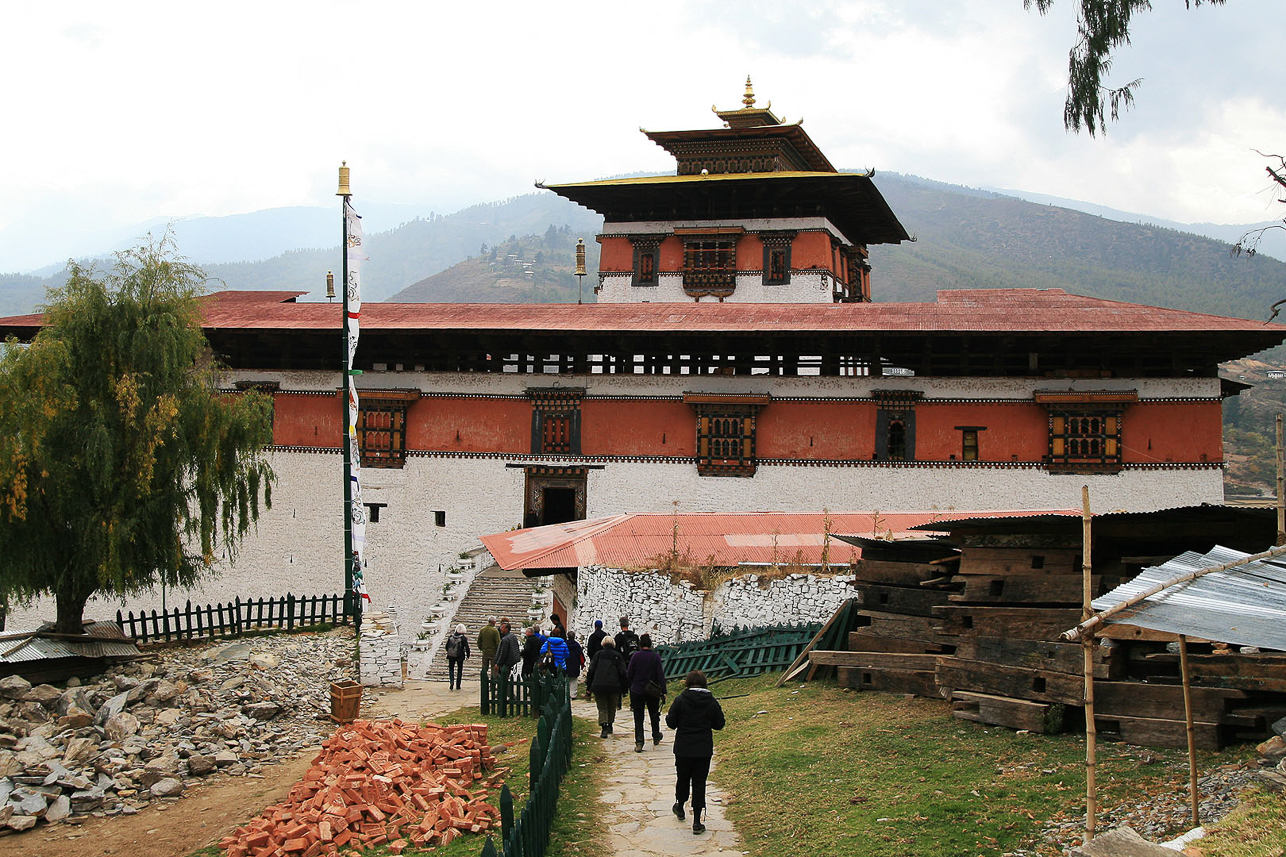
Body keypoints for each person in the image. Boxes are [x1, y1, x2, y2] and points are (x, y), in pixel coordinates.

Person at [666, 670, 725, 835]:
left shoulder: (680, 700)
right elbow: (719, 724)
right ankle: (697, 821)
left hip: (683, 748)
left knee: (682, 778)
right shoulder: (711, 702)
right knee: (699, 783)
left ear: (687, 683)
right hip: (703, 749)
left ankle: (680, 805)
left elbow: (671, 723)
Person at [625, 633, 667, 753]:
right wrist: (663, 691)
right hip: (652, 690)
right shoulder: (655, 657)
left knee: (638, 717)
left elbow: (629, 674)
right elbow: (660, 675)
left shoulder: (635, 656)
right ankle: (655, 735)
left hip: (637, 690)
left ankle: (639, 741)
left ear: (640, 644)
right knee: (654, 714)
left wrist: (631, 686)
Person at [585, 636, 626, 738]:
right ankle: (610, 725)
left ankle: (604, 727)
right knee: (612, 707)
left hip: (599, 685)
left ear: (602, 644)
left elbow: (591, 670)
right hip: (614, 685)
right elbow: (623, 672)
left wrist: (589, 686)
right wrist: (624, 688)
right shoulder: (617, 656)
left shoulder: (598, 655)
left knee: (602, 707)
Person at [445, 623, 471, 691]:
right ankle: (458, 685)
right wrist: (468, 655)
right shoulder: (463, 638)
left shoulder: (451, 636)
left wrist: (449, 652)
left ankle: (451, 682)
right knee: (459, 670)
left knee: (451, 669)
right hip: (460, 656)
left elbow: (446, 646)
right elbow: (467, 648)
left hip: (451, 656)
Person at [565, 630, 585, 697]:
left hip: (566, 664)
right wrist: (582, 664)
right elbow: (581, 656)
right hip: (575, 665)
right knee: (574, 681)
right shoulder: (577, 645)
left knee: (566, 680)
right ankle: (573, 694)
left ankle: (566, 694)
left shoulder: (565, 644)